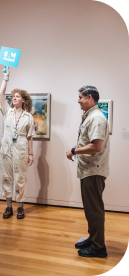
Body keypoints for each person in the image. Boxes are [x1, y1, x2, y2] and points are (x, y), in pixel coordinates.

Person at [66, 85, 110, 258]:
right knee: (90, 209)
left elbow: (96, 147)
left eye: (80, 97)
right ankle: (93, 238)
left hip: (94, 170)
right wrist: (77, 148)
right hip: (88, 169)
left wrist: (74, 151)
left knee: (95, 209)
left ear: (89, 98)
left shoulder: (97, 118)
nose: (78, 101)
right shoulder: (90, 116)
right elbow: (89, 142)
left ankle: (99, 248)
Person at [0, 67, 34, 219]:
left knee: (20, 178)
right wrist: (5, 78)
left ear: (23, 100)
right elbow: (0, 94)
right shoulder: (7, 111)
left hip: (21, 149)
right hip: (6, 149)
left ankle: (20, 206)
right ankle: (8, 207)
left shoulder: (28, 117)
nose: (14, 98)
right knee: (6, 177)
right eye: (13, 96)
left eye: (17, 96)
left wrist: (31, 153)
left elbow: (30, 136)